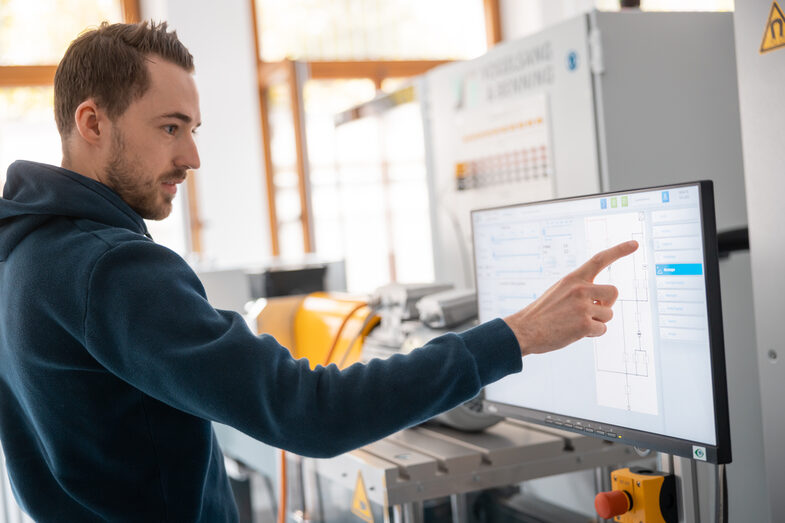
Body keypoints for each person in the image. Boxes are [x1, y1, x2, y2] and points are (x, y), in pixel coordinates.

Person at [0, 21, 637, 522]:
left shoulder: (24, 249)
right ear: (91, 122)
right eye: (170, 128)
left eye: (193, 129)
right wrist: (517, 334)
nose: (192, 157)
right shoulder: (112, 268)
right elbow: (311, 413)